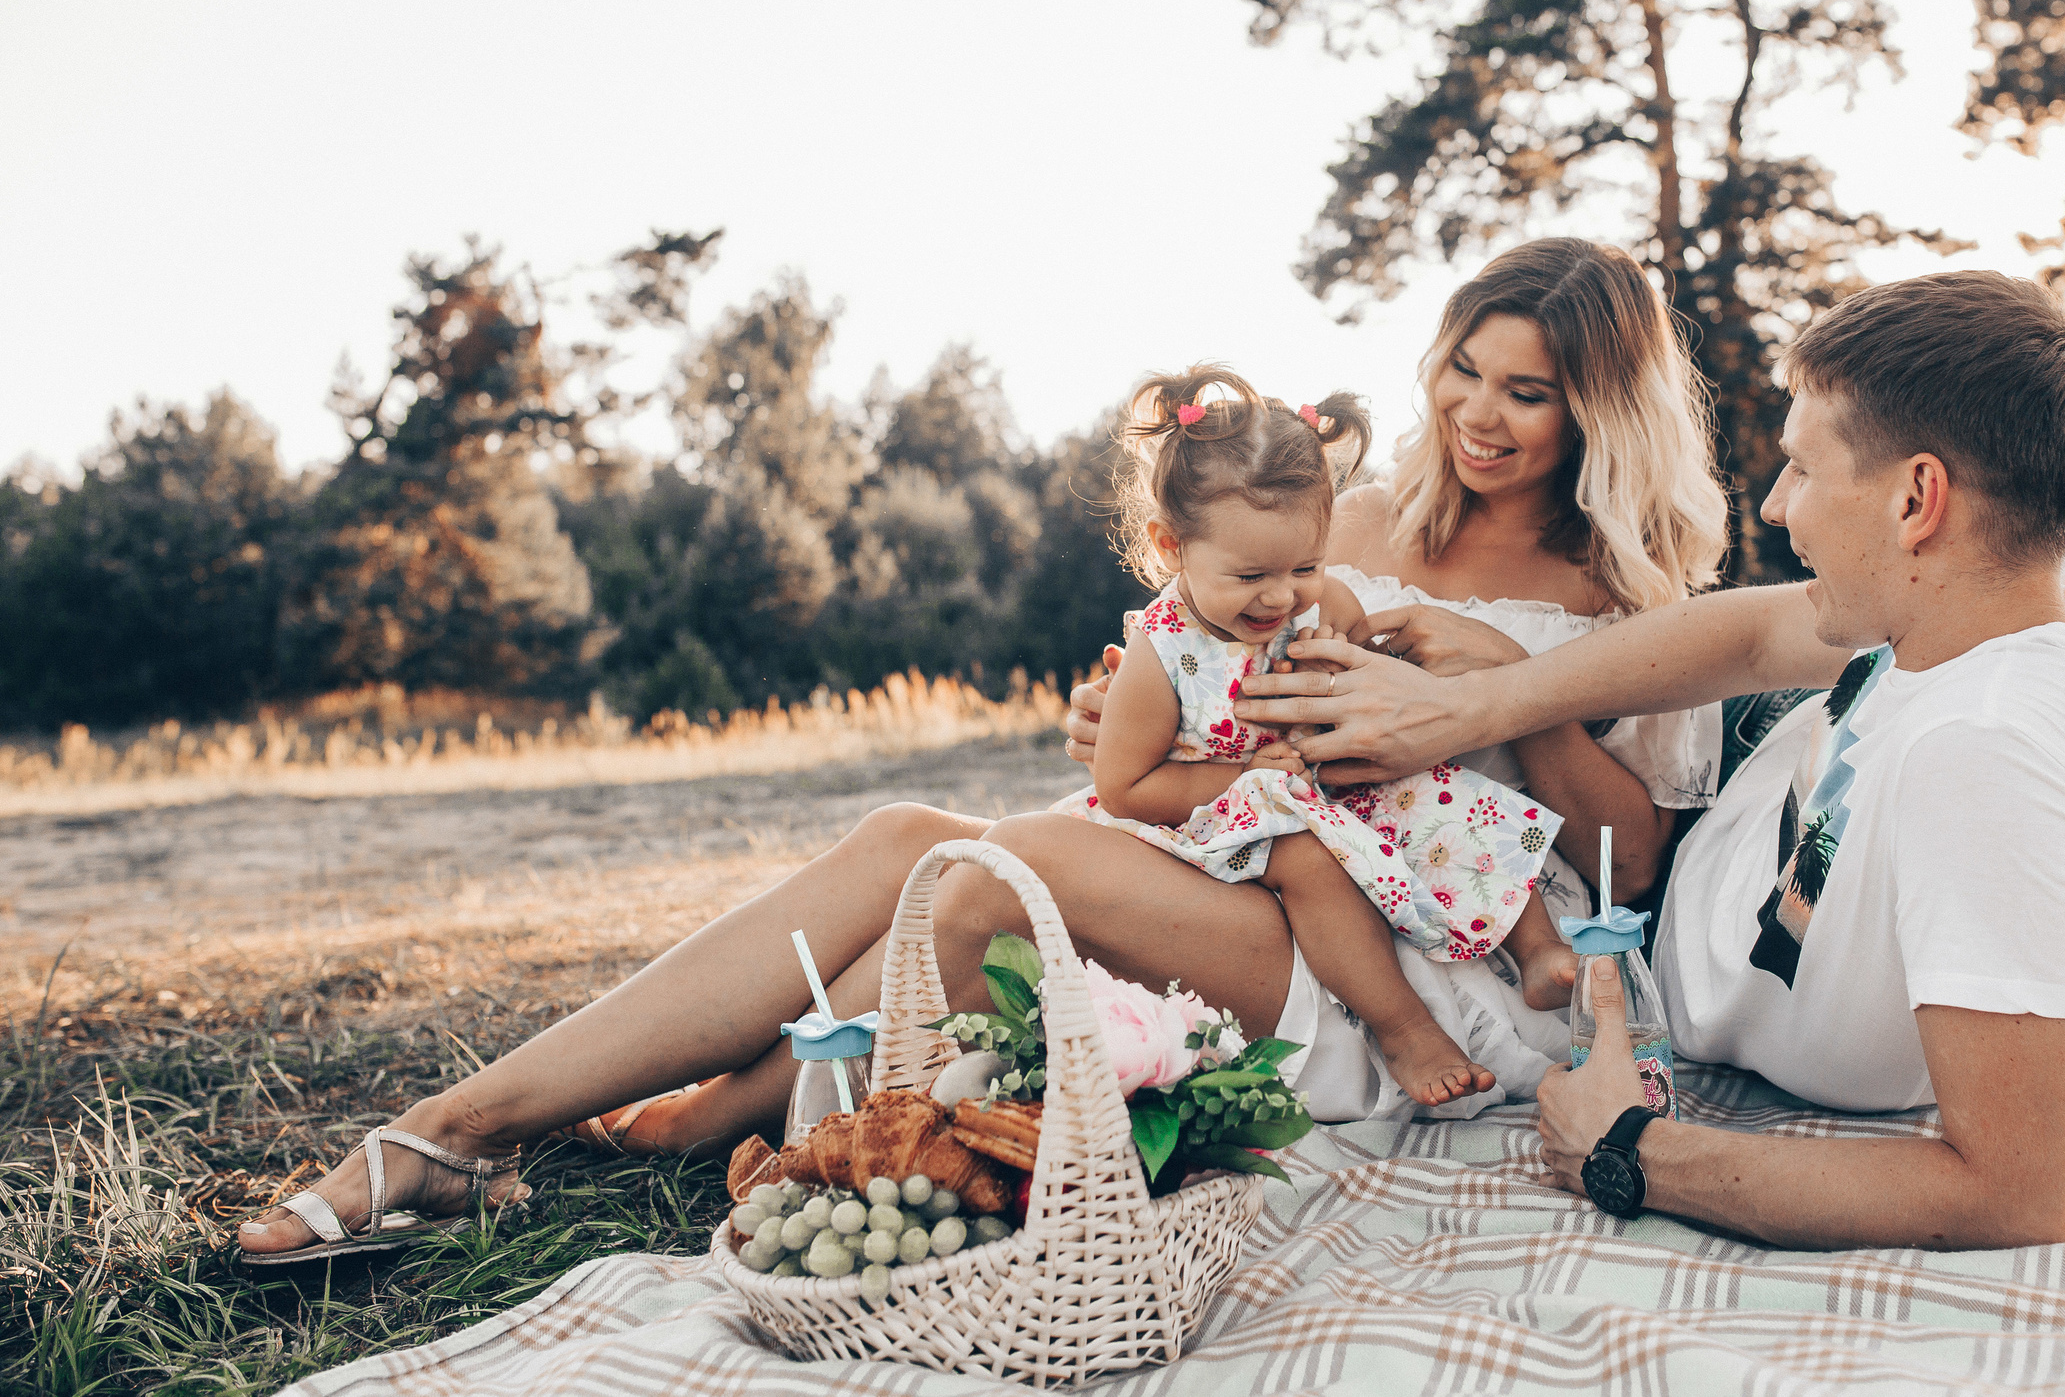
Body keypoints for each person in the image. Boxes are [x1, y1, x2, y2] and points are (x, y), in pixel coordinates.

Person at [234, 235, 1732, 1261]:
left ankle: (703, 1112)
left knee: (966, 888)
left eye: (1526, 391)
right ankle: (464, 1124)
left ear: (1595, 408)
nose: (1478, 412)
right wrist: (1118, 718)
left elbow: (1640, 862)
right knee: (906, 834)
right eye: (1465, 369)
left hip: (1440, 955)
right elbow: (1184, 666)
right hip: (1243, 851)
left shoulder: (1633, 600)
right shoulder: (1341, 524)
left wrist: (1507, 691)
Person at [1238, 271, 2065, 1249]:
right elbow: (1751, 636)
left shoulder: (1989, 763)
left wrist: (1628, 1149)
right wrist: (1484, 697)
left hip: (1645, 942)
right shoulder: (2058, 563)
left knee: (1200, 877)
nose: (1775, 509)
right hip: (1743, 799)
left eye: (1805, 473)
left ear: (1916, 498)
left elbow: (2019, 1198)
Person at [1052, 363, 1579, 1109]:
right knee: (1308, 862)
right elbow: (1125, 786)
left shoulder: (1317, 599)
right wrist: (1251, 778)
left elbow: (1356, 654)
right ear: (1171, 547)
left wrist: (1357, 666)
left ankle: (1538, 946)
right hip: (1218, 810)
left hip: (1326, 780)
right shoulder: (1161, 653)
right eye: (1250, 574)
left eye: (1305, 563)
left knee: (1449, 789)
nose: (1281, 595)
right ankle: (1402, 1027)